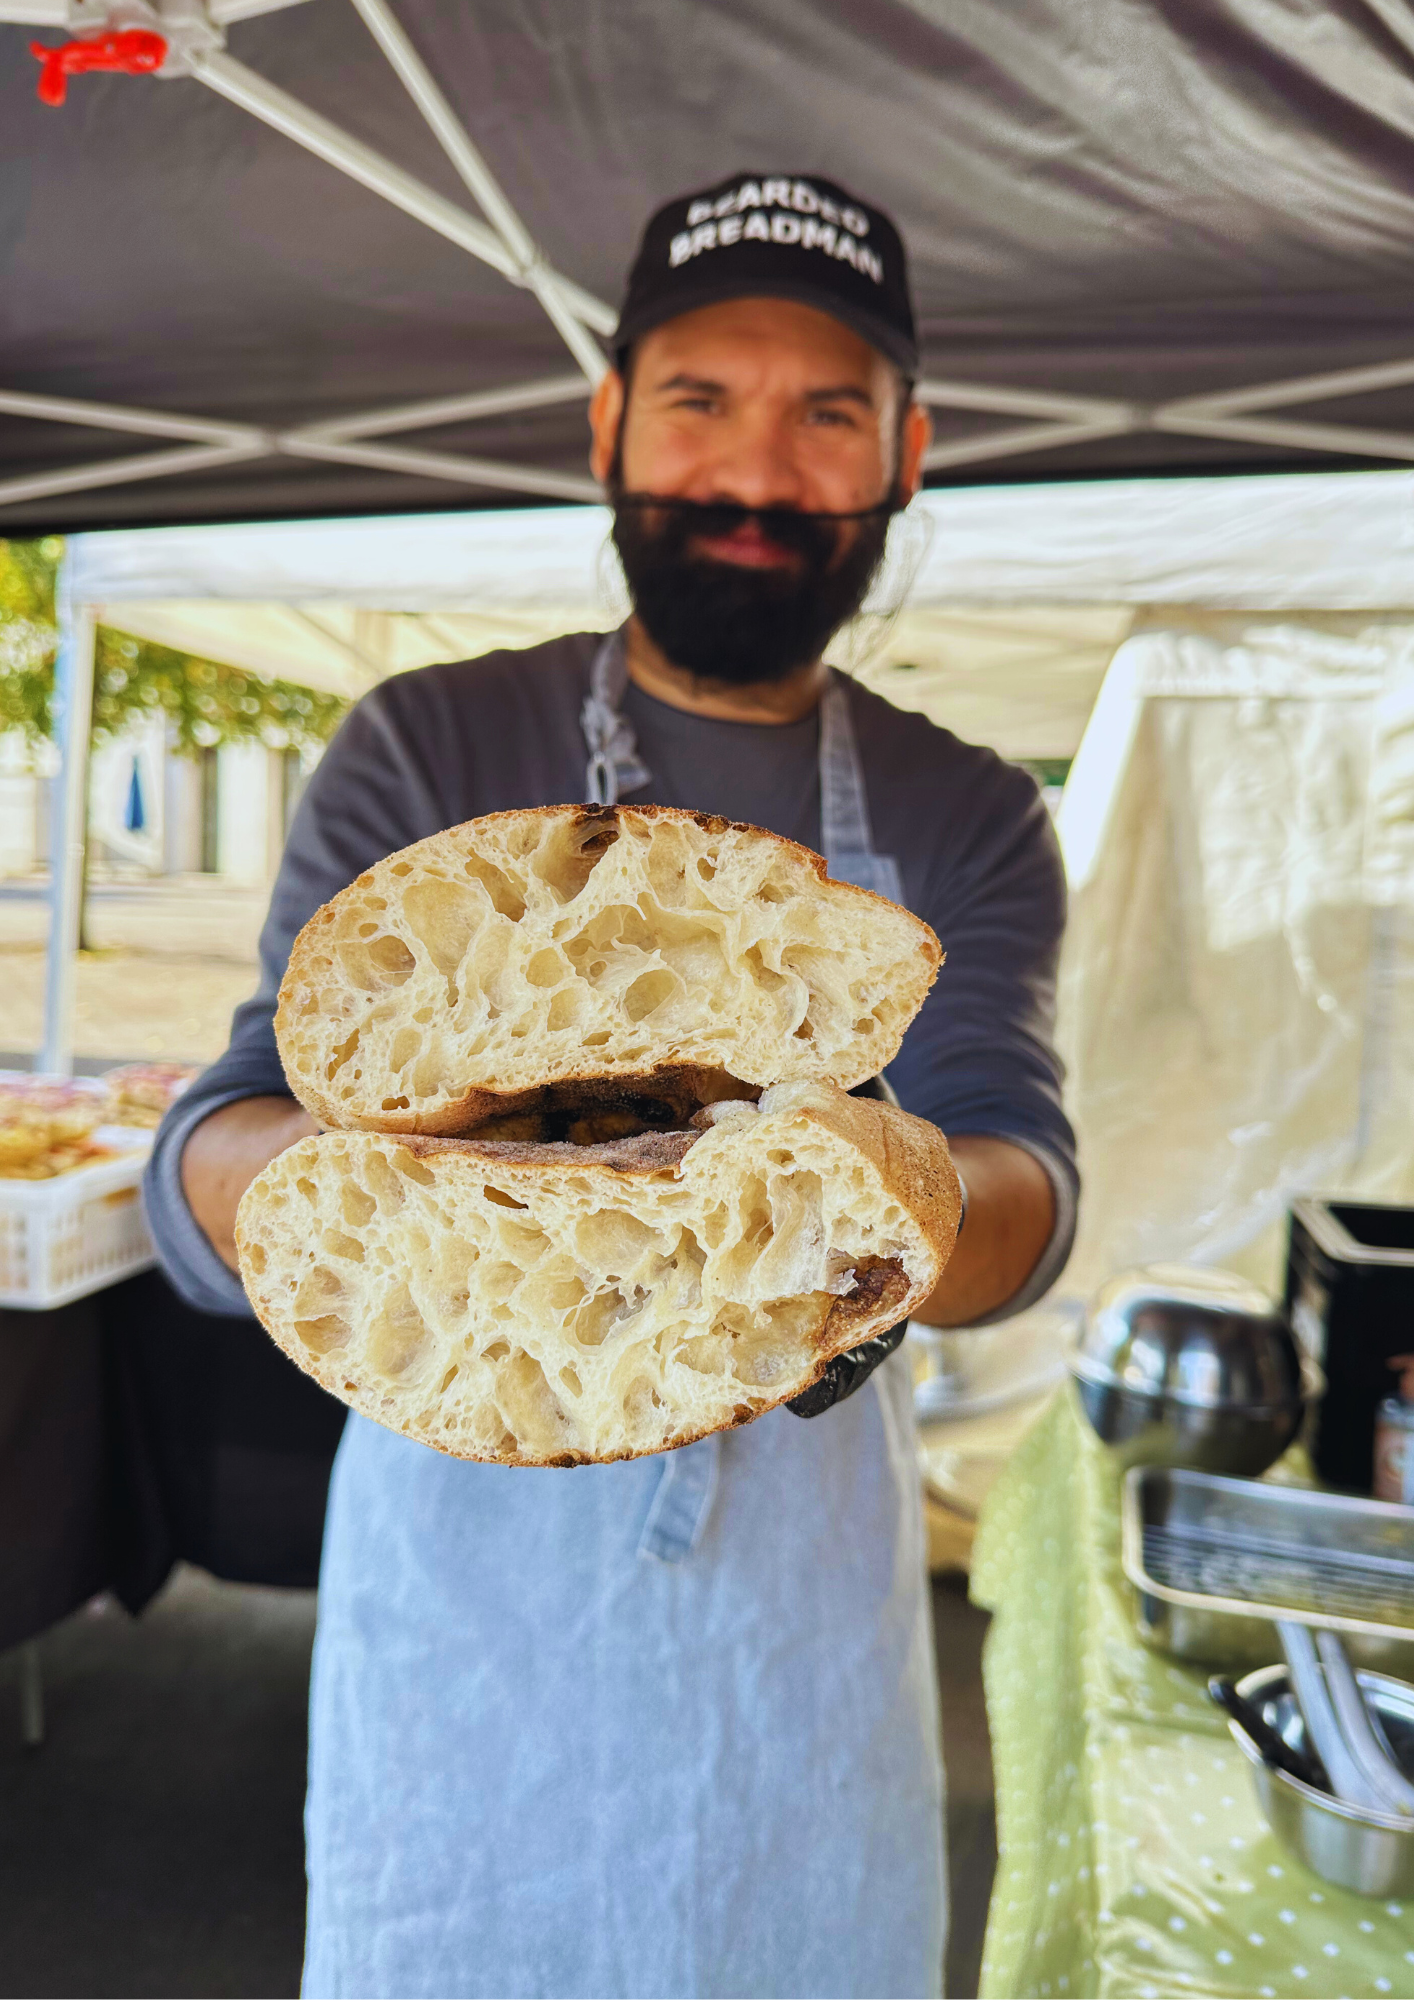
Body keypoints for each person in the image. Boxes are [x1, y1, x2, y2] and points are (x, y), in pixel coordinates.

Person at [146, 171, 1077, 2000]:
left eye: (827, 412)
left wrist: (866, 1233)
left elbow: (1021, 1181)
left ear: (908, 452)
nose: (756, 469)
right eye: (698, 401)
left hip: (795, 1623)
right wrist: (359, 1225)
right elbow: (228, 1120)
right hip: (463, 1582)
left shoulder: (968, 811)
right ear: (606, 426)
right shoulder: (426, 748)